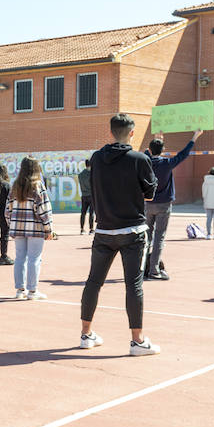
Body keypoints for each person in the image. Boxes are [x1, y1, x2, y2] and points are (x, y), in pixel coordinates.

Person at [79, 114, 159, 356]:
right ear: (132, 133)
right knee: (133, 285)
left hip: (103, 230)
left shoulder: (96, 159)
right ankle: (137, 341)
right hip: (132, 231)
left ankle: (86, 335)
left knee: (93, 282)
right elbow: (150, 194)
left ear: (111, 132)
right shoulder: (139, 159)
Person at [143, 130, 201, 279]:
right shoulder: (167, 164)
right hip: (163, 204)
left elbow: (146, 152)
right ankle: (154, 270)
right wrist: (194, 137)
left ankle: (141, 269)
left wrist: (156, 140)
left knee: (145, 238)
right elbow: (183, 154)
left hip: (148, 204)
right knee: (159, 237)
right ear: (163, 151)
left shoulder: (145, 162)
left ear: (150, 150)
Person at [7, 157, 55, 300]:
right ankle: (32, 291)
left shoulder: (15, 186)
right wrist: (49, 229)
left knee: (20, 258)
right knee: (34, 258)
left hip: (18, 228)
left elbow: (7, 209)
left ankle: (20, 290)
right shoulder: (37, 185)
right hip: (35, 228)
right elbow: (44, 209)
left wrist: (12, 224)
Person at [77, 160, 94, 233]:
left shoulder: (80, 175)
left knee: (83, 213)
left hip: (84, 196)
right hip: (91, 196)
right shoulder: (92, 174)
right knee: (91, 213)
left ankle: (82, 229)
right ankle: (91, 229)